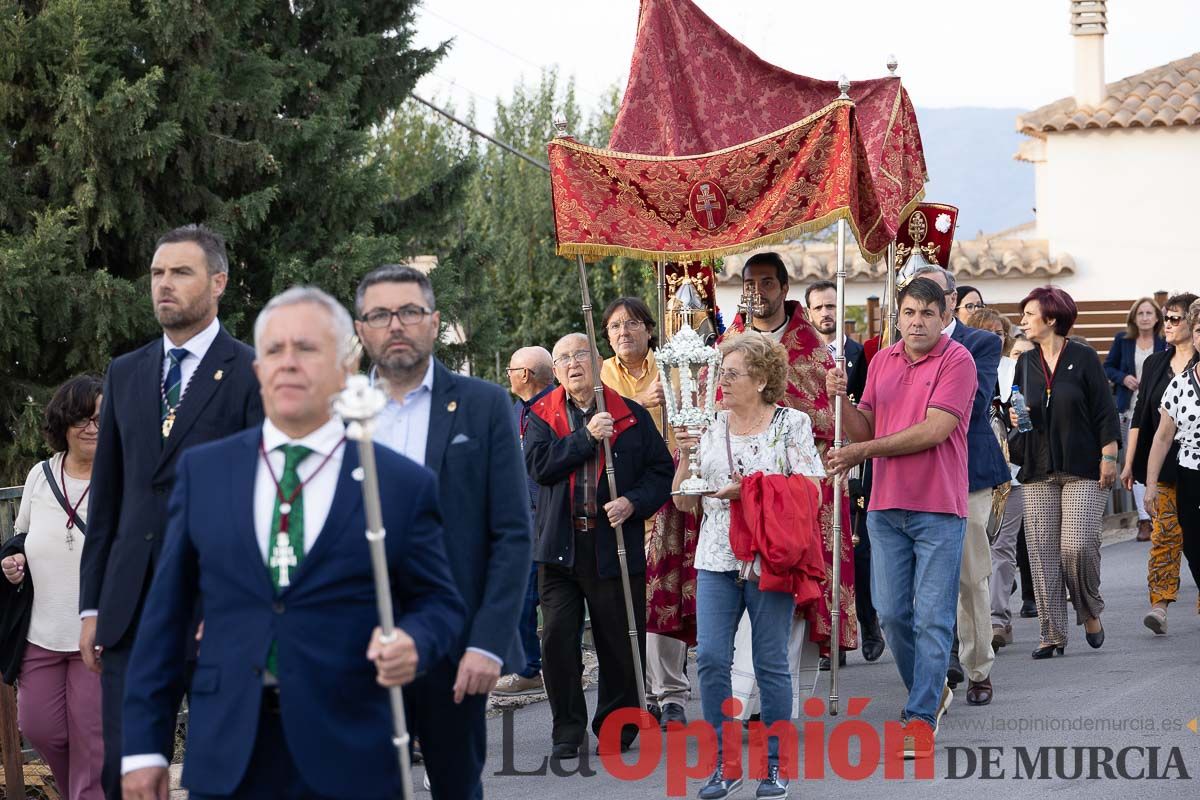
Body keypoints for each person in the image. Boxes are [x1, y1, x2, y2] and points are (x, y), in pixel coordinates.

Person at [119, 287, 465, 800]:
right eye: (274, 351)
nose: (287, 363)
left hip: (350, 747)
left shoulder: (395, 483)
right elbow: (165, 616)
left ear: (346, 366)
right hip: (228, 751)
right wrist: (145, 748)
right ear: (258, 371)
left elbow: (441, 604)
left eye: (306, 348)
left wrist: (415, 639)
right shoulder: (207, 473)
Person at [78, 224, 264, 799]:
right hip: (131, 613)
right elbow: (107, 500)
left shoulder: (250, 372)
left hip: (217, 611)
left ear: (218, 282)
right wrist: (91, 606)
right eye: (157, 273)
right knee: (126, 773)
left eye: (180, 272)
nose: (164, 284)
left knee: (221, 772)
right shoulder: (125, 373)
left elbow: (265, 499)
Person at [353, 265, 532, 799]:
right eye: (381, 314)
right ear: (362, 329)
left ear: (433, 322)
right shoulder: (334, 415)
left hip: (455, 646)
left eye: (410, 312)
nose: (397, 325)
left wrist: (489, 643)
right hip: (358, 645)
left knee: (455, 787)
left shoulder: (483, 406)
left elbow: (512, 534)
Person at [827, 276, 976, 759]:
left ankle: (919, 716)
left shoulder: (958, 360)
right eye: (909, 312)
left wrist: (861, 451)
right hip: (886, 506)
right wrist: (842, 401)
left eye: (927, 314)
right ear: (898, 315)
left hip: (938, 508)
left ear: (942, 318)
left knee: (932, 618)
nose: (917, 322)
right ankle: (930, 693)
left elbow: (935, 430)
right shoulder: (882, 360)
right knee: (892, 615)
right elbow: (864, 425)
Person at [675, 334, 826, 800]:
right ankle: (725, 764)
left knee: (770, 662)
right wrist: (685, 458)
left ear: (761, 379)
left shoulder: (791, 423)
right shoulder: (707, 425)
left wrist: (753, 492)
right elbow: (684, 501)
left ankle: (776, 768)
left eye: (731, 373)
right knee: (713, 659)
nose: (721, 381)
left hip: (770, 559)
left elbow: (814, 491)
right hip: (717, 557)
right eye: (720, 372)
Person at [524, 333, 673, 759]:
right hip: (559, 546)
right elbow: (539, 466)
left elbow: (660, 472)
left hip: (613, 543)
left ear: (596, 361)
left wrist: (633, 502)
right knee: (555, 638)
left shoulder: (629, 414)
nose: (573, 364)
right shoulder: (542, 414)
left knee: (620, 638)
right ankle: (567, 730)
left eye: (580, 354)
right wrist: (586, 438)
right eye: (564, 358)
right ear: (555, 371)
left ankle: (616, 725)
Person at [723, 252, 857, 685]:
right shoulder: (728, 347)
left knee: (795, 590)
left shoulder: (815, 354)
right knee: (742, 587)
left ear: (783, 288)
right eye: (750, 283)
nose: (757, 292)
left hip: (796, 490)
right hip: (741, 489)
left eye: (766, 283)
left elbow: (827, 424)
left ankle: (785, 695)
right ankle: (745, 693)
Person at [1, 376, 104, 800]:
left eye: (101, 418)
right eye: (82, 418)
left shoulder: (124, 478)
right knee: (41, 729)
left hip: (98, 639)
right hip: (40, 635)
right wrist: (14, 561)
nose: (92, 427)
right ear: (64, 421)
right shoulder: (40, 476)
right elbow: (22, 537)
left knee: (93, 742)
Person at [911, 265, 1008, 707]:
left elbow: (974, 399)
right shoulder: (902, 343)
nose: (922, 309)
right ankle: (936, 667)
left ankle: (978, 667)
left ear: (952, 299)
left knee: (970, 575)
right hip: (916, 471)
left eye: (933, 294)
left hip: (967, 472)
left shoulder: (982, 342)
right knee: (923, 582)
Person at [1011, 286, 1119, 659]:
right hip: (1038, 465)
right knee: (1041, 554)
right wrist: (1015, 415)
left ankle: (1089, 610)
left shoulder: (1084, 357)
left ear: (1051, 319)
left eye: (1028, 314)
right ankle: (1051, 633)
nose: (1022, 320)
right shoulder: (1025, 363)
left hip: (1083, 466)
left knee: (1077, 547)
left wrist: (1109, 456)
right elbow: (1019, 407)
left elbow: (1105, 410)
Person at [600, 296, 690, 728]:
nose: (623, 332)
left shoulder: (673, 366)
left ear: (650, 330)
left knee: (664, 592)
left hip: (667, 492)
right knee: (629, 599)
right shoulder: (601, 375)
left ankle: (671, 693)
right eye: (615, 326)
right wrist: (639, 396)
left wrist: (668, 400)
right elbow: (602, 420)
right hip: (619, 499)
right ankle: (640, 691)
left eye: (633, 323)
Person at [804, 279, 881, 663]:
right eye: (818, 308)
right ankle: (830, 634)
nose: (826, 314)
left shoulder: (859, 354)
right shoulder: (802, 355)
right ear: (809, 312)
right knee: (822, 548)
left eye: (832, 306)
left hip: (854, 454)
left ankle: (867, 623)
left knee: (858, 547)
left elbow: (867, 407)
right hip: (817, 459)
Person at [494, 345, 556, 696]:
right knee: (522, 595)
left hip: (550, 514)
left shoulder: (558, 407)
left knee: (555, 596)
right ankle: (528, 668)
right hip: (521, 520)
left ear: (525, 375)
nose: (508, 377)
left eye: (510, 370)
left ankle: (554, 667)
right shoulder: (517, 410)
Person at [1143, 298, 1200, 628]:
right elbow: (1162, 437)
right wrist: (1149, 484)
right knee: (1192, 544)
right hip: (1189, 472)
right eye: (1198, 330)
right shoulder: (1180, 385)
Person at [1105, 298, 1167, 540]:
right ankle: (1144, 519)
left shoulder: (1164, 341)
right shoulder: (1124, 340)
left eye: (1149, 312)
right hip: (1130, 410)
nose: (1144, 317)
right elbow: (1107, 367)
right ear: (1133, 317)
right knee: (1136, 462)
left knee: (1159, 461)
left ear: (1156, 317)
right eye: (1140, 313)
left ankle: (1162, 515)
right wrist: (1124, 378)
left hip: (1160, 411)